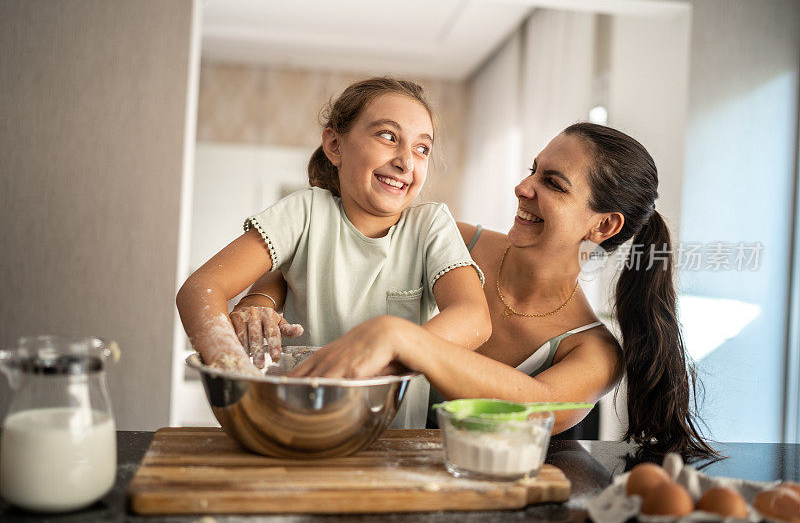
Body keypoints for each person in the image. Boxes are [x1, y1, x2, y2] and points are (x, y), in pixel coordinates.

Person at [251, 122, 716, 458]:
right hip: (334, 458)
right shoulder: (444, 238)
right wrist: (260, 299)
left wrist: (402, 337)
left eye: (552, 184)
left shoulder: (592, 353)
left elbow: (533, 408)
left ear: (604, 224)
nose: (523, 188)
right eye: (533, 170)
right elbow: (310, 239)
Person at [176, 77, 491, 429]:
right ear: (335, 146)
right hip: (297, 427)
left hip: (392, 442)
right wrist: (235, 370)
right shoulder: (305, 212)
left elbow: (473, 318)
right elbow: (201, 288)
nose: (406, 160)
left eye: (422, 148)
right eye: (388, 136)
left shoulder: (430, 225)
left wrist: (387, 356)